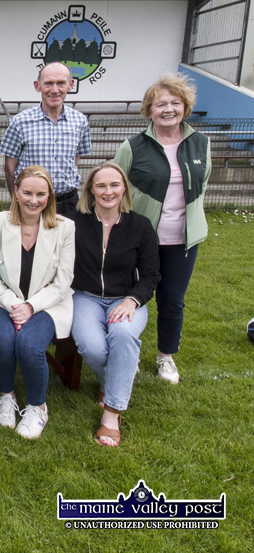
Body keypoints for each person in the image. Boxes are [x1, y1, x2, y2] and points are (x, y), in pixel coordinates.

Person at [114, 73, 211, 384]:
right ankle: (129, 352)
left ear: (185, 106)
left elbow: (202, 185)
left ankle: (165, 356)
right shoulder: (133, 146)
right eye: (161, 104)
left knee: (172, 299)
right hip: (141, 239)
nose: (168, 109)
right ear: (149, 110)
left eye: (175, 103)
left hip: (182, 239)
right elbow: (116, 186)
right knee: (132, 295)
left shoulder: (200, 143)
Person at [66, 162, 160, 447]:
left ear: (124, 189)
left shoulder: (140, 226)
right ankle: (121, 371)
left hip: (126, 298)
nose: (108, 191)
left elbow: (152, 275)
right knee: (92, 346)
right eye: (101, 186)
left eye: (114, 185)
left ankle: (111, 413)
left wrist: (132, 300)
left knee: (123, 335)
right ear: (91, 190)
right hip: (85, 295)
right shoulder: (73, 222)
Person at [0, 166, 75, 439]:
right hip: (3, 301)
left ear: (49, 196)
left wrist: (31, 306)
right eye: (27, 193)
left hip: (48, 304)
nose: (33, 200)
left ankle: (37, 406)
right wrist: (15, 305)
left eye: (40, 194)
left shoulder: (65, 227)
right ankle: (6, 396)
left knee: (29, 345)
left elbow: (64, 280)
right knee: (1, 340)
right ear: (16, 191)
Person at [0, 62, 91, 215]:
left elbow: (75, 160)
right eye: (48, 83)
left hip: (68, 204)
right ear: (38, 86)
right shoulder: (20, 122)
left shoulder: (80, 121)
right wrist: (17, 201)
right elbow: (10, 170)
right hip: (33, 204)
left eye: (61, 83)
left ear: (70, 85)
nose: (54, 90)